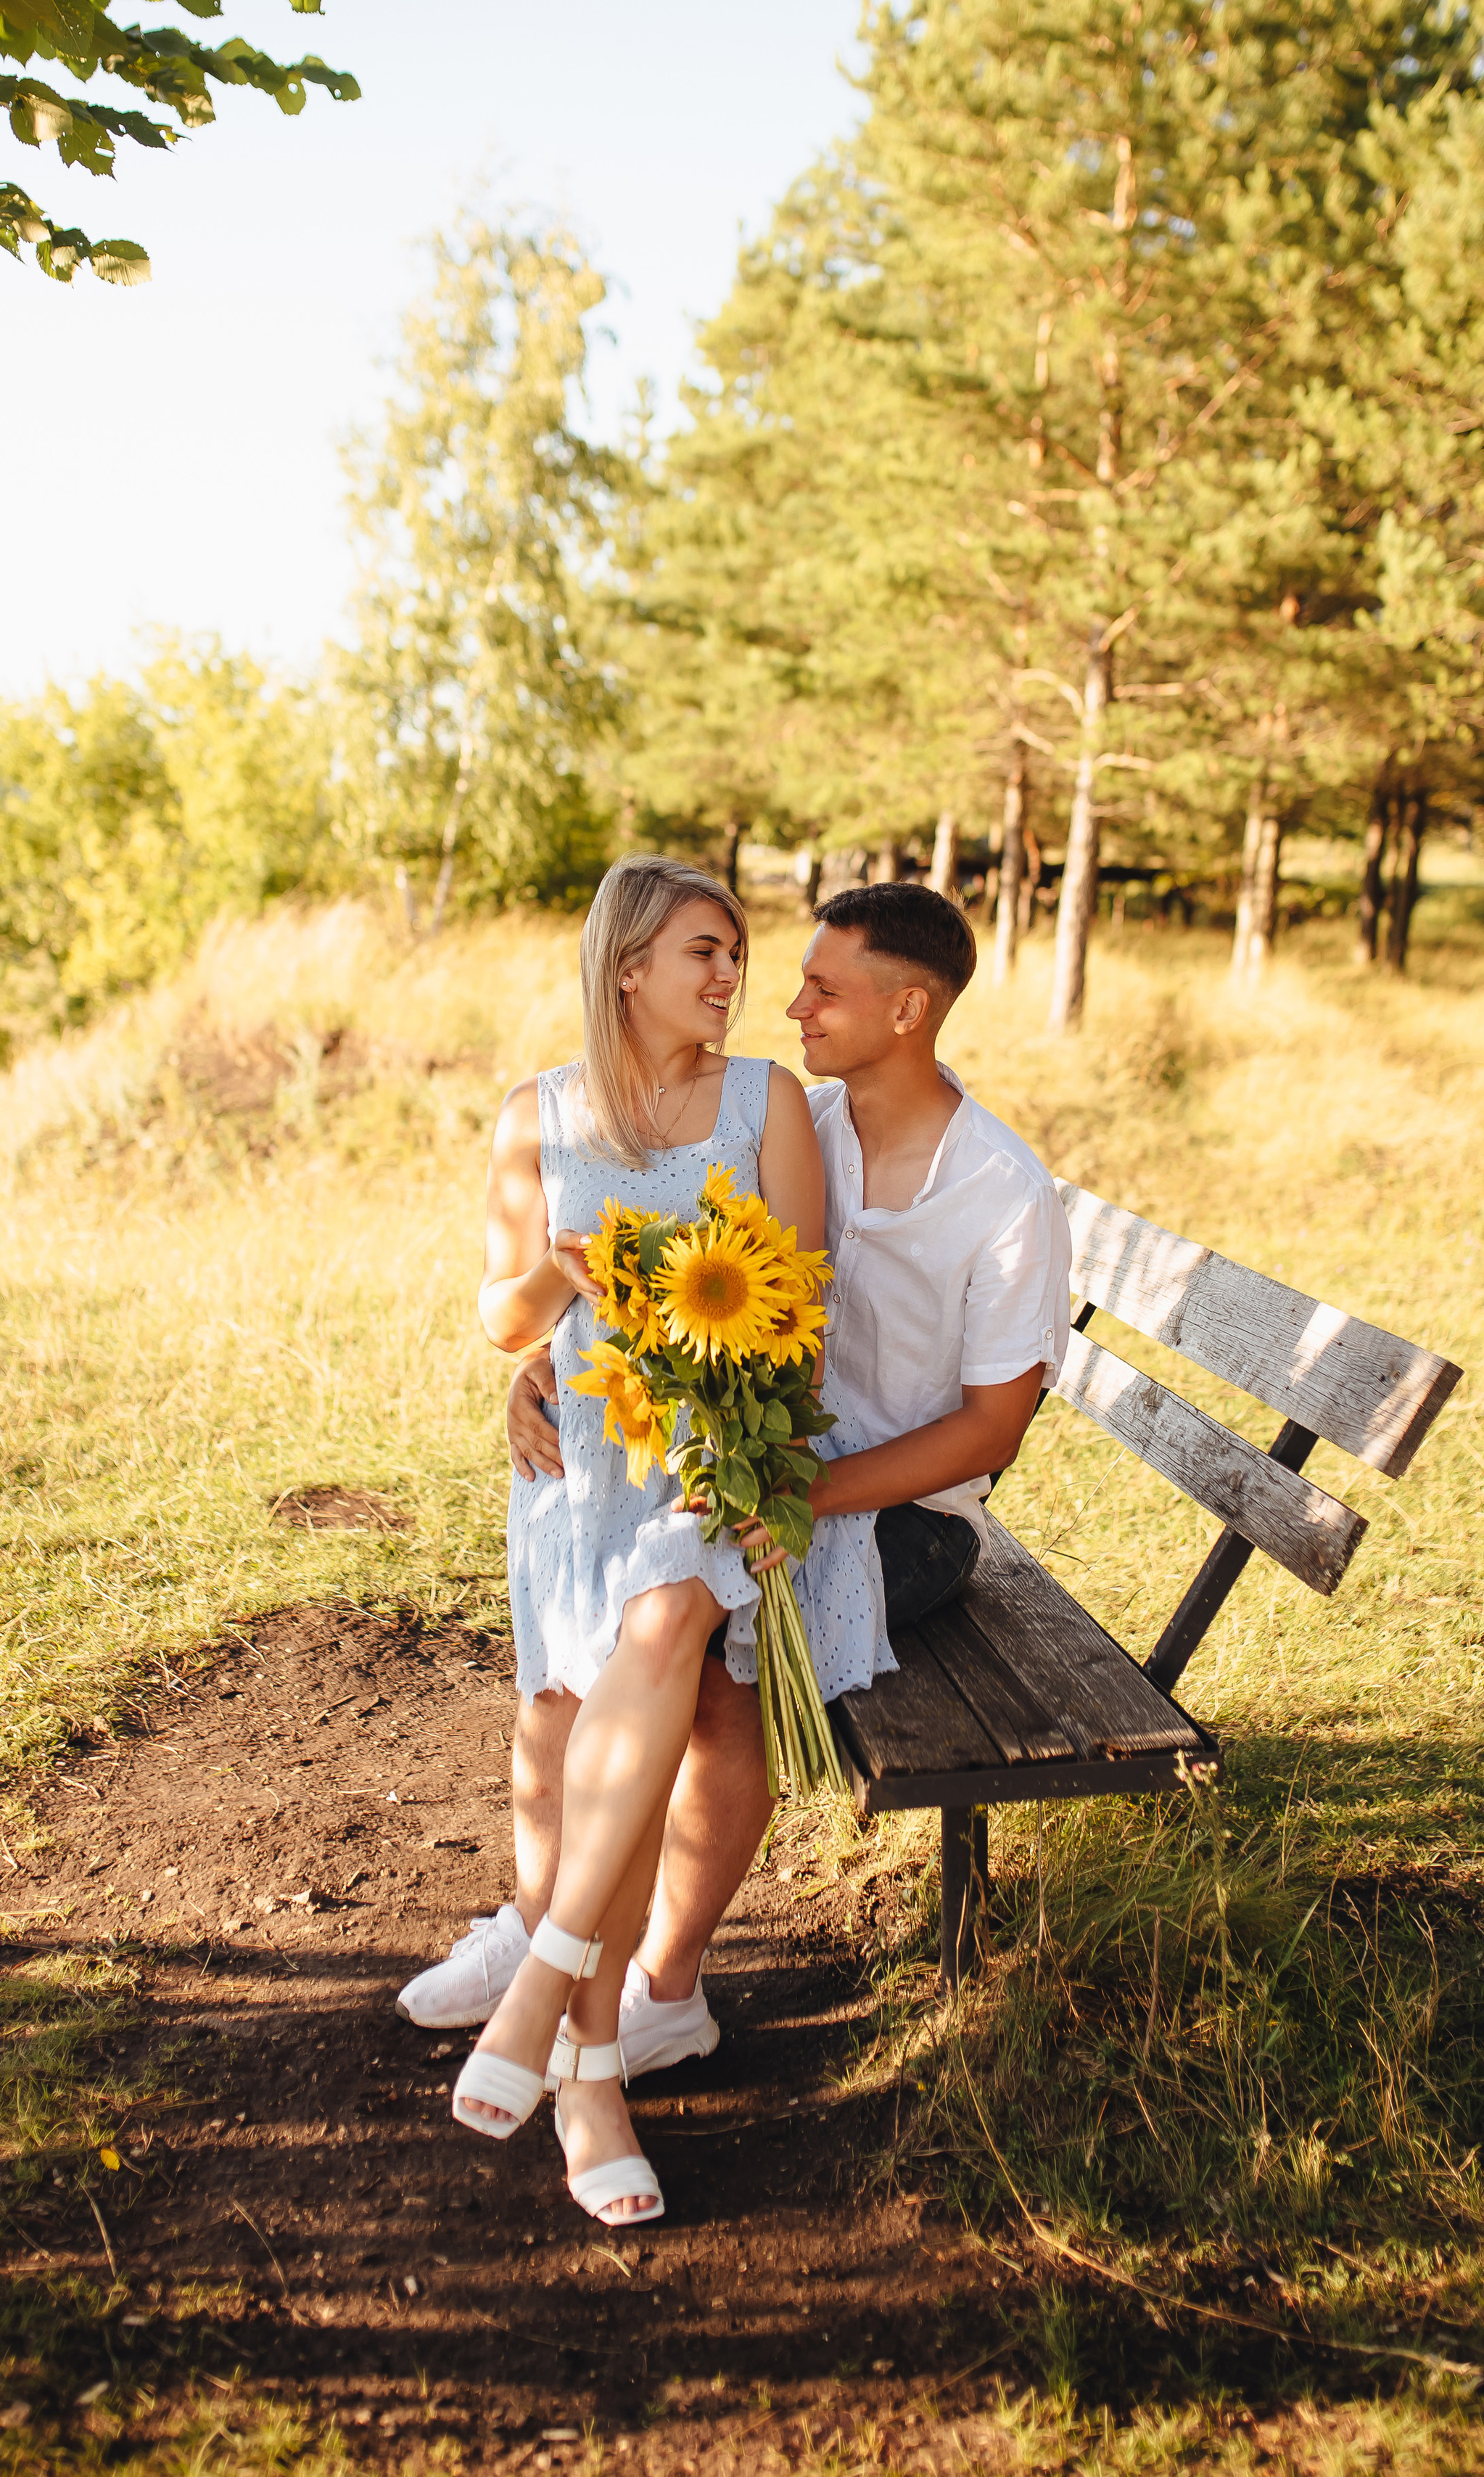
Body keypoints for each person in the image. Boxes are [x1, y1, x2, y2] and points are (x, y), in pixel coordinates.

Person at [400, 881, 1071, 2086]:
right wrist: (545, 1367)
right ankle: (553, 1932)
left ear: (906, 1012)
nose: (784, 1002)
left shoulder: (1001, 1193)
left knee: (694, 1663)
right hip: (729, 1462)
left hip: (886, 1510)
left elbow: (989, 1434)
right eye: (780, 975)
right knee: (605, 1649)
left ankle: (645, 1982)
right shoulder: (807, 1111)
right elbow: (627, 1274)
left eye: (821, 987)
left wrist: (793, 1494)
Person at [445, 856, 890, 2227]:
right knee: (578, 1717)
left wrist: (743, 1448)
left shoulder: (769, 1104)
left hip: (727, 1466)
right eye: (705, 951)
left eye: (736, 954)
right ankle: (583, 2053)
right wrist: (560, 1276)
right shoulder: (537, 1115)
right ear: (627, 966)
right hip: (585, 1462)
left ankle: (554, 1996)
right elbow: (504, 1320)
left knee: (661, 1624)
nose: (731, 977)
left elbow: (801, 1315)